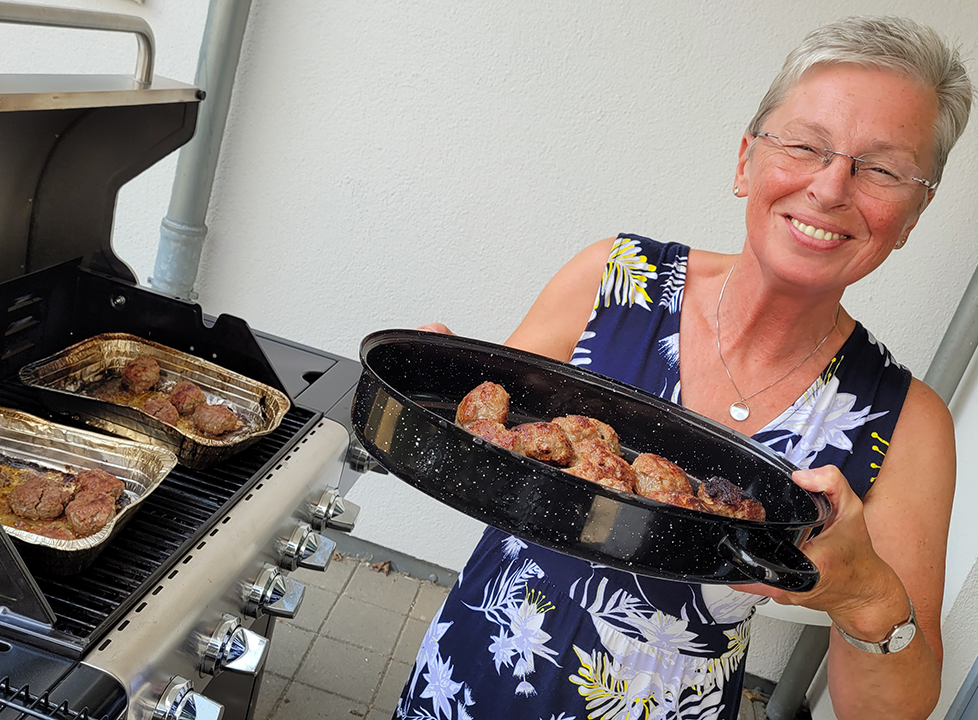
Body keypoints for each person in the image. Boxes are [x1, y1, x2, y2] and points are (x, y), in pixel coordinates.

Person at [393, 16, 972, 720]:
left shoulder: (906, 426)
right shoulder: (613, 280)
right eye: (805, 145)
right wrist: (437, 409)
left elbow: (892, 712)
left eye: (880, 167)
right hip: (468, 682)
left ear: (913, 214)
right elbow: (487, 466)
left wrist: (866, 596)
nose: (829, 187)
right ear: (744, 161)